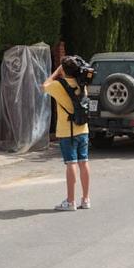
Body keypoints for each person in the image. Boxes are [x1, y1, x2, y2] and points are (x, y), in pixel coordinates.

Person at [43, 56, 92, 211]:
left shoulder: (58, 85)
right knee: (84, 162)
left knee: (71, 163)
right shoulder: (82, 84)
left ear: (64, 70)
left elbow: (44, 85)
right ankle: (86, 199)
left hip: (67, 131)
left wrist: (56, 72)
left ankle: (70, 202)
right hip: (83, 129)